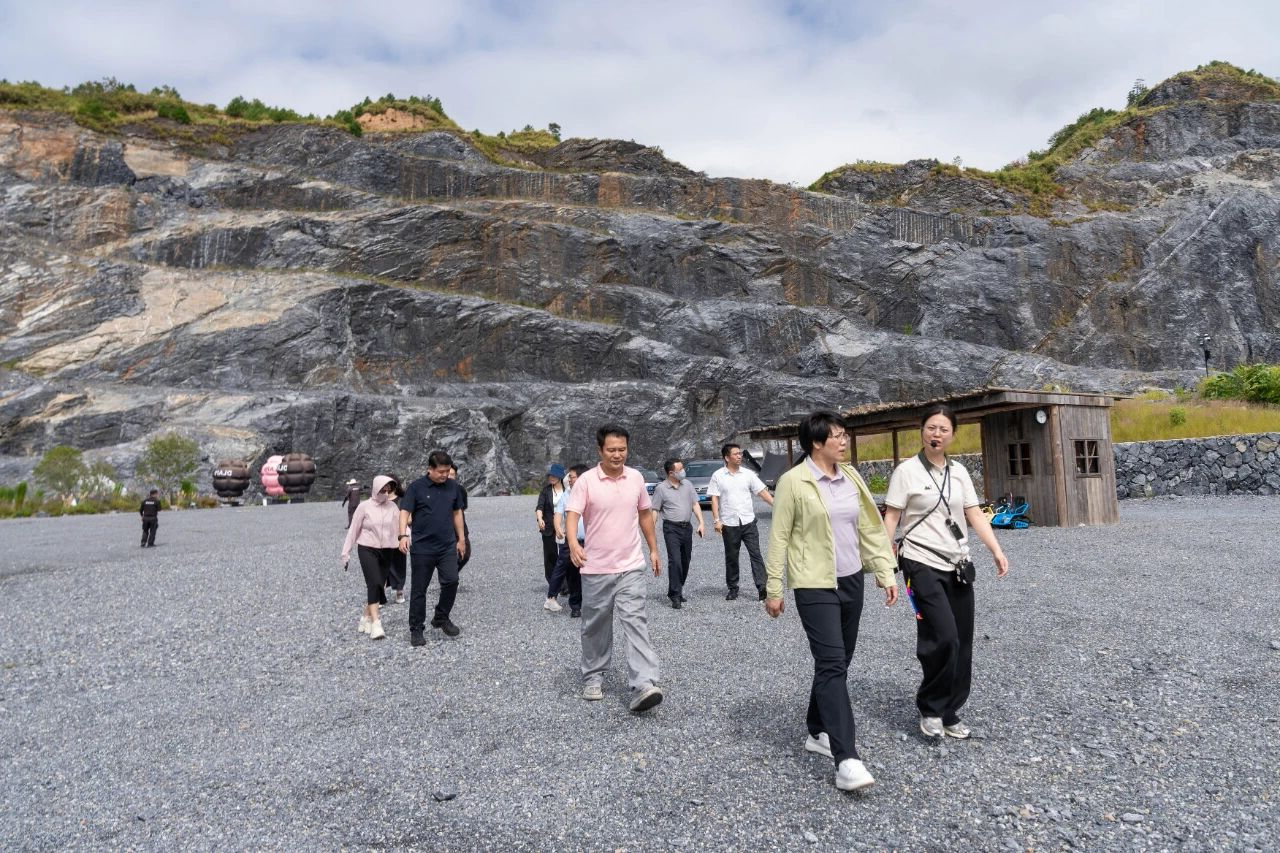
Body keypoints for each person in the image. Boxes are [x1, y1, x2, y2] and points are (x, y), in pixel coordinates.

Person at [764, 411, 899, 792]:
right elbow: (779, 537)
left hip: (852, 579)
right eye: (837, 436)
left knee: (838, 662)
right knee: (832, 662)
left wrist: (884, 570)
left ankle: (817, 729)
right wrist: (774, 588)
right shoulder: (793, 481)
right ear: (816, 443)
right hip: (814, 585)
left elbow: (869, 527)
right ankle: (847, 760)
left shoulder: (851, 476)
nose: (844, 441)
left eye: (844, 435)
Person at [882, 404, 1010, 741]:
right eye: (931, 428)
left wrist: (996, 550)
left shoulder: (960, 472)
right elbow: (891, 518)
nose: (936, 434)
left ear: (952, 434)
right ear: (921, 431)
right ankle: (930, 707)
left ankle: (950, 710)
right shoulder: (906, 472)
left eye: (943, 429)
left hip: (957, 564)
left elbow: (974, 513)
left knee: (963, 640)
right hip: (920, 561)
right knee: (943, 635)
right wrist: (885, 565)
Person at [567, 426, 664, 713]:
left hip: (630, 565)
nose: (617, 454)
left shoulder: (635, 478)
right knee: (595, 625)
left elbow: (644, 514)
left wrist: (654, 548)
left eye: (622, 449)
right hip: (596, 567)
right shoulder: (586, 481)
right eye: (611, 450)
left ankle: (644, 683)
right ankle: (593, 676)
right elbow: (572, 515)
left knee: (636, 621)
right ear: (600, 451)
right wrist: (573, 544)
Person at [399, 451, 468, 645]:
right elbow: (404, 511)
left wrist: (461, 539)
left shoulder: (453, 487)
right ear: (430, 469)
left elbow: (457, 513)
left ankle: (441, 617)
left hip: (447, 545)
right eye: (441, 471)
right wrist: (403, 535)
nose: (445, 475)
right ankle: (416, 629)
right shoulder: (416, 488)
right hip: (422, 548)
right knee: (419, 589)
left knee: (452, 581)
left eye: (447, 471)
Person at [708, 443, 773, 600]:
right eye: (736, 454)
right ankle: (733, 588)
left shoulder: (748, 474)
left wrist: (777, 505)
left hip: (748, 521)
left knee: (755, 554)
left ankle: (762, 588)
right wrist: (716, 520)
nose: (739, 456)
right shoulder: (718, 476)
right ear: (727, 457)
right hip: (729, 523)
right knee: (732, 557)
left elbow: (762, 492)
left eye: (740, 453)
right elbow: (714, 498)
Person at [340, 475, 401, 640]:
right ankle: (376, 623)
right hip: (367, 548)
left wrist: (407, 539)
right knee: (373, 583)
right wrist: (345, 553)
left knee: (380, 584)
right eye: (382, 489)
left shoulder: (393, 507)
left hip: (387, 550)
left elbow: (400, 527)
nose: (385, 492)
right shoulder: (364, 507)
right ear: (375, 489)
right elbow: (353, 530)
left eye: (388, 489)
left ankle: (366, 616)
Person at [650, 457, 705, 608]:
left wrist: (701, 522)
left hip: (687, 528)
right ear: (671, 473)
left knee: (685, 561)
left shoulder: (687, 484)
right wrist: (651, 530)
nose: (683, 471)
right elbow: (655, 510)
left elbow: (695, 504)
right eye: (680, 469)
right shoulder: (661, 489)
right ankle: (675, 595)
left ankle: (677, 589)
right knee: (675, 561)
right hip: (671, 529)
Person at [545, 463, 588, 617]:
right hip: (571, 541)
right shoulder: (567, 494)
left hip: (591, 541)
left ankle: (594, 604)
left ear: (582, 478)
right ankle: (575, 606)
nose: (568, 479)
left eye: (572, 477)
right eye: (569, 477)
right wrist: (558, 528)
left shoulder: (593, 494)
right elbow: (558, 514)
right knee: (571, 572)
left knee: (593, 573)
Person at [535, 464, 566, 595]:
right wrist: (540, 519)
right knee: (550, 556)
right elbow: (539, 507)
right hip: (548, 528)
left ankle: (566, 585)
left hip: (565, 526)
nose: (552, 477)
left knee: (565, 555)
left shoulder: (568, 490)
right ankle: (554, 584)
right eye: (550, 475)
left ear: (560, 477)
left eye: (554, 475)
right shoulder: (546, 490)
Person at [385, 477, 407, 604]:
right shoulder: (379, 500)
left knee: (399, 564)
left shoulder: (402, 500)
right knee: (381, 564)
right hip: (381, 537)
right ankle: (379, 594)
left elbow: (409, 518)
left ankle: (399, 590)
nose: (385, 486)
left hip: (398, 536)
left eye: (388, 484)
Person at [448, 464, 472, 572]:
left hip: (460, 527)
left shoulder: (460, 489)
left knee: (465, 554)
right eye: (448, 474)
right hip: (445, 528)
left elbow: (463, 508)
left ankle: (451, 574)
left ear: (455, 476)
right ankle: (449, 576)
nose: (449, 476)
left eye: (452, 474)